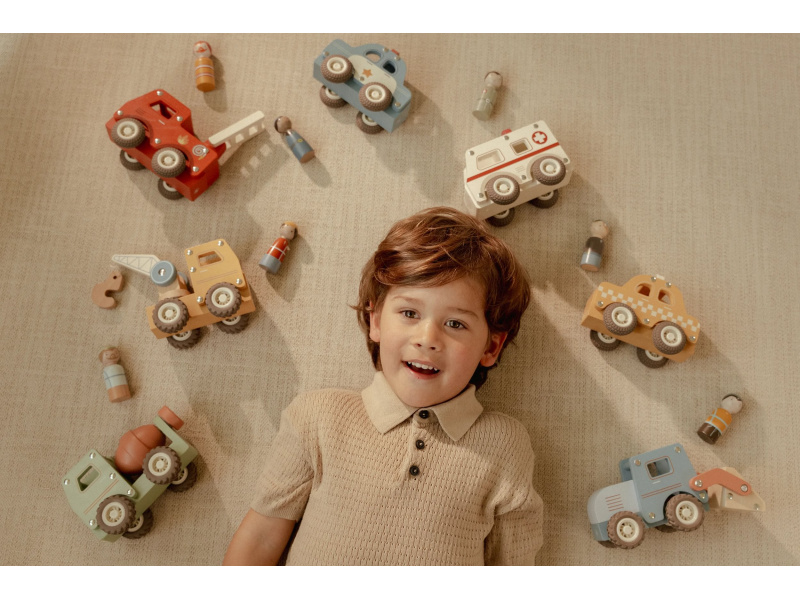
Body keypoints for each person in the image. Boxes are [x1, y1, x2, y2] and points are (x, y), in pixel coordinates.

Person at [224, 207, 543, 565]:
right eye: (410, 313)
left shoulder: (505, 444)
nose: (427, 339)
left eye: (455, 324)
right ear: (375, 320)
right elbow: (262, 536)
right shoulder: (318, 418)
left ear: (491, 347)